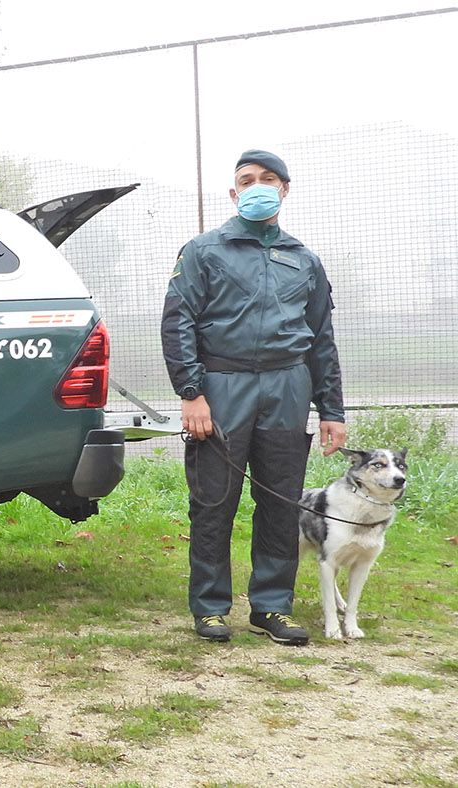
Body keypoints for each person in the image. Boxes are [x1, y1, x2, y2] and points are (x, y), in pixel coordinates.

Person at [161, 149, 346, 646]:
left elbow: (321, 339)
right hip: (222, 387)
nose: (257, 185)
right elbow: (179, 322)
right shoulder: (203, 251)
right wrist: (192, 393)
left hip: (288, 388)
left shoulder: (304, 260)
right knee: (214, 500)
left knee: (280, 503)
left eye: (268, 179)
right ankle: (211, 606)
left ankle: (271, 606)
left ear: (285, 189)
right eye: (247, 179)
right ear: (233, 192)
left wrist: (331, 410)